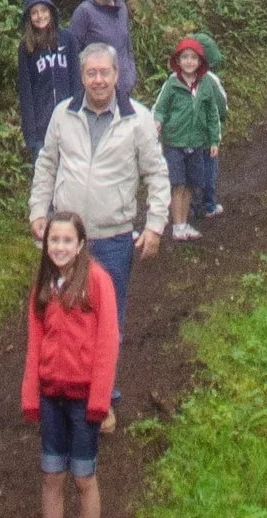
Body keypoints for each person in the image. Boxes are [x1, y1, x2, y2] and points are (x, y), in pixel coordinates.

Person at [27, 40, 167, 379]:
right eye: (91, 73)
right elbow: (46, 164)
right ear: (82, 76)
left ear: (117, 74)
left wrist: (155, 225)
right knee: (61, 314)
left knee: (107, 320)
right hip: (66, 240)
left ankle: (103, 396)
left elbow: (157, 172)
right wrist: (37, 211)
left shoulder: (138, 119)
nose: (99, 80)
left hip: (114, 239)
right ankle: (63, 387)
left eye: (105, 72)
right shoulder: (64, 113)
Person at [21, 206, 118, 518]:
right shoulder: (44, 285)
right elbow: (34, 343)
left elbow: (108, 341)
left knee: (84, 477)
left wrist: (99, 399)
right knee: (51, 476)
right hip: (51, 396)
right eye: (53, 240)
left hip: (82, 400)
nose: (59, 247)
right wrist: (31, 394)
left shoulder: (96, 281)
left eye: (67, 240)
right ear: (46, 244)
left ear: (80, 245)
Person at [152, 30, 225, 241]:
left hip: (198, 142)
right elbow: (161, 108)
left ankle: (184, 224)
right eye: (185, 57)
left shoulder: (206, 84)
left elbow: (213, 113)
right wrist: (157, 122)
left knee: (191, 185)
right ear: (177, 60)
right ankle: (177, 225)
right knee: (178, 184)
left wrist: (213, 140)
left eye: (193, 58)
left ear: (200, 61)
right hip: (175, 142)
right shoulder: (172, 83)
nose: (189, 62)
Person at [67, 0, 137, 98]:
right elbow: (72, 54)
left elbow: (127, 46)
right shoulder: (84, 12)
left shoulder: (122, 7)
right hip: (97, 92)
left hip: (124, 90)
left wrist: (131, 75)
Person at [16, 0, 75, 155]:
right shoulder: (26, 48)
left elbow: (76, 79)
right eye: (34, 12)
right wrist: (31, 134)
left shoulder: (68, 39)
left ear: (51, 11)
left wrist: (78, 111)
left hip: (69, 122)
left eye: (43, 10)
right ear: (28, 17)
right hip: (42, 126)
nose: (40, 16)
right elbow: (26, 92)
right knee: (43, 177)